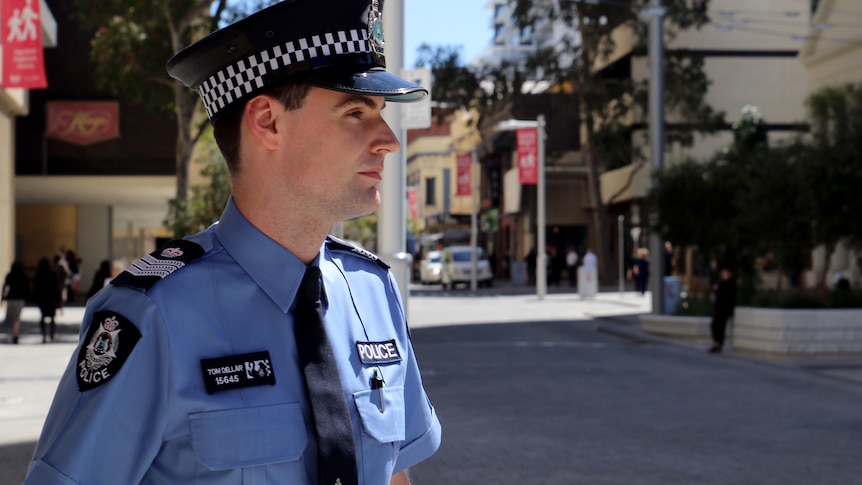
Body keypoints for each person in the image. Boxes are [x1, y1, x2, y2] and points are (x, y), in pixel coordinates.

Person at [25, 1, 441, 483]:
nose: (388, 139)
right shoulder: (151, 316)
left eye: (381, 113)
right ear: (266, 121)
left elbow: (394, 474)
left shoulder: (373, 291)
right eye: (355, 111)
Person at [708, 267, 737, 353]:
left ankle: (718, 343)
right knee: (715, 325)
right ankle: (717, 343)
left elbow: (726, 296)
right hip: (720, 308)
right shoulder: (722, 283)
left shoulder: (730, 284)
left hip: (725, 309)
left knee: (719, 326)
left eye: (725, 273)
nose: (724, 275)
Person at [33, 257, 62, 343]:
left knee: (42, 316)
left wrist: (35, 298)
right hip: (51, 299)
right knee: (52, 317)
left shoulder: (38, 275)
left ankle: (44, 334)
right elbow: (57, 287)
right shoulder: (53, 274)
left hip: (42, 299)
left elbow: (36, 288)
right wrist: (58, 299)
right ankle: (51, 333)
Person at [2, 260, 30, 344]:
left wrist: (3, 297)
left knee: (12, 317)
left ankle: (15, 334)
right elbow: (27, 289)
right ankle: (15, 334)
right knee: (16, 318)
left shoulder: (10, 275)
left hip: (11, 298)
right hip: (20, 299)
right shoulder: (24, 276)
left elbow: (5, 286)